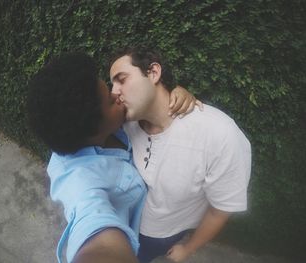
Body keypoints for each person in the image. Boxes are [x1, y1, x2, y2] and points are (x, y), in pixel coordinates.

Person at [26, 52, 197, 263]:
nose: (118, 94)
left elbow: (151, 100)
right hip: (142, 237)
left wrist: (173, 95)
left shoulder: (109, 124)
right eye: (110, 99)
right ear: (92, 129)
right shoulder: (80, 184)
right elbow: (95, 234)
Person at [110, 46, 252, 263]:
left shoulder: (220, 134)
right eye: (112, 84)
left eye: (122, 79)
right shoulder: (125, 124)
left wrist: (188, 248)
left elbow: (221, 209)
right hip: (120, 219)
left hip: (160, 235)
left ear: (153, 73)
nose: (114, 92)